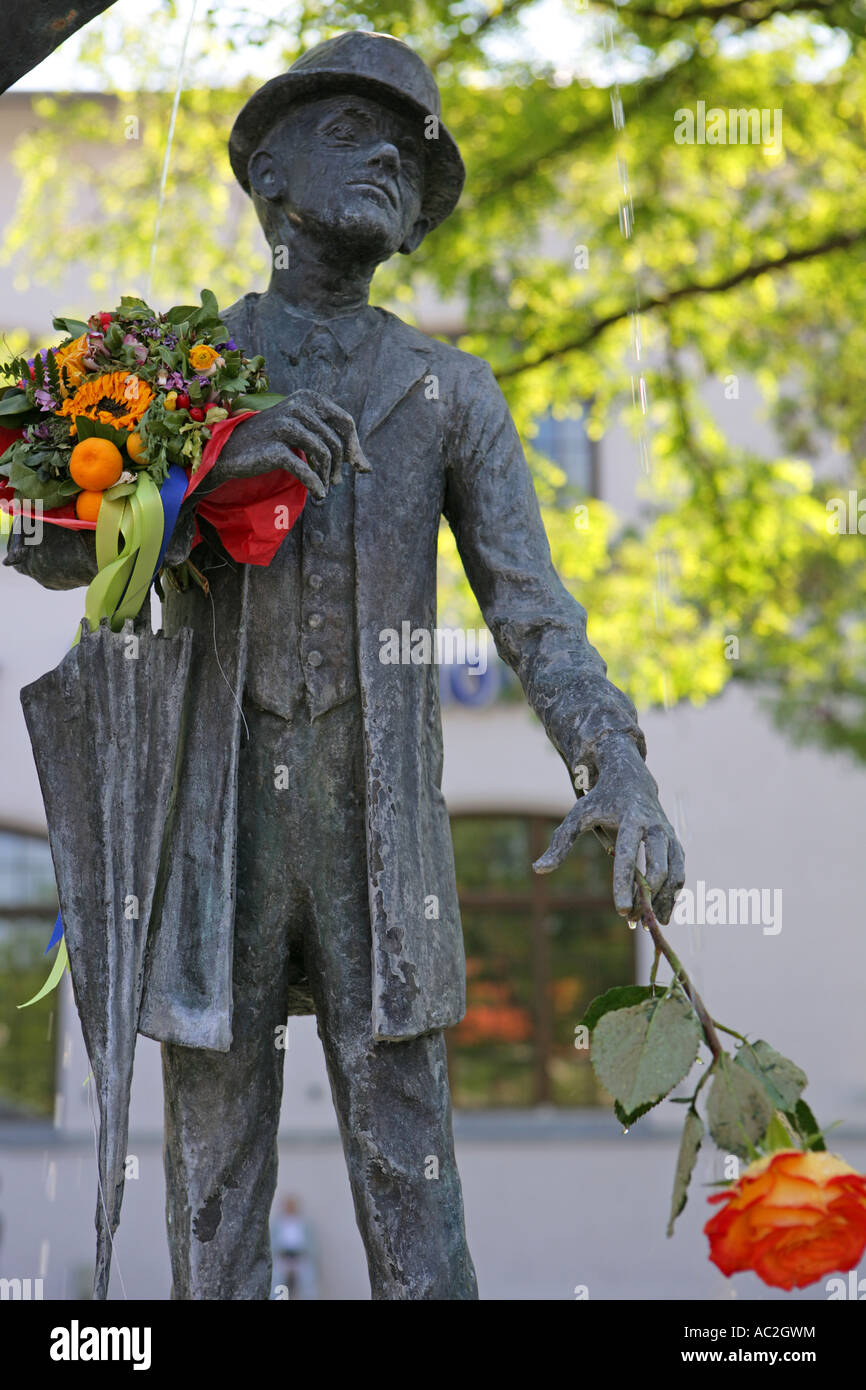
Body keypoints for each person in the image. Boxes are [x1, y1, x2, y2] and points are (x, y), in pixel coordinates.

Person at [7, 30, 684, 1300]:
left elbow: (535, 615)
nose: (386, 153)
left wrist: (618, 764)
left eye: (410, 147)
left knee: (419, 1209)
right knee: (211, 1216)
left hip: (385, 845)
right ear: (267, 176)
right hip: (215, 844)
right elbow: (33, 540)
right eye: (348, 129)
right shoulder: (172, 376)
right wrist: (199, 465)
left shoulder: (449, 392)